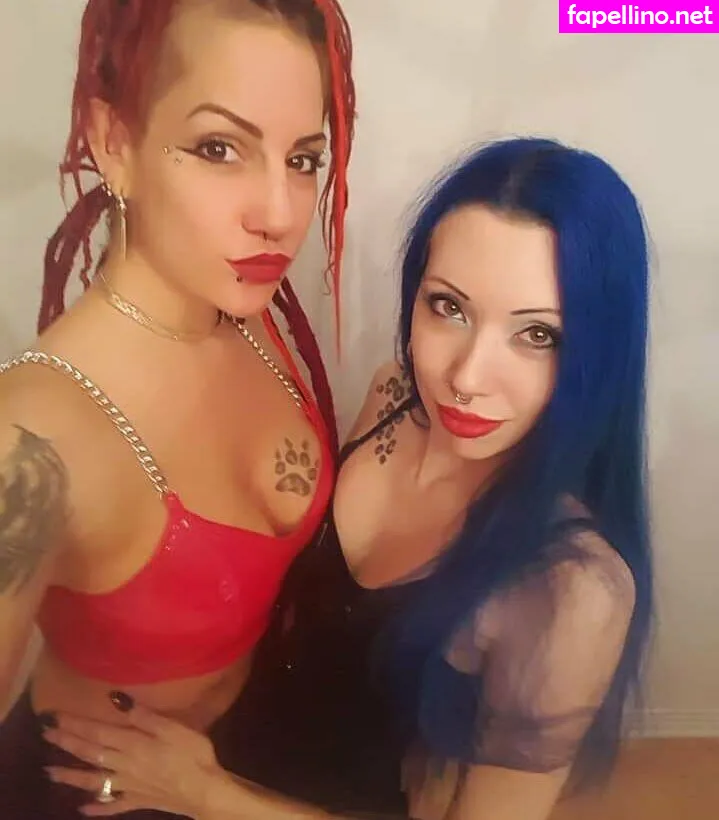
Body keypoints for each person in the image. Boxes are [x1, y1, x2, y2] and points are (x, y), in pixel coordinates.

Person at [41, 136, 654, 820]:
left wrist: (204, 793)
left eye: (537, 335)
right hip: (220, 742)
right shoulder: (394, 396)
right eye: (448, 307)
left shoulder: (574, 588)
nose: (466, 377)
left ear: (597, 354)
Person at [0, 0, 355, 817]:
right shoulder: (32, 438)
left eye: (304, 159)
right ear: (113, 142)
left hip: (253, 744)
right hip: (105, 793)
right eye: (219, 148)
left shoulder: (248, 309)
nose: (279, 214)